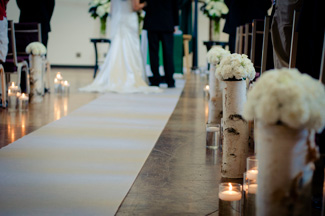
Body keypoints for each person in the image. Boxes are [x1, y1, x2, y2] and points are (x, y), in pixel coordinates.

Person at [80, 0, 161, 93]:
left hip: (118, 20)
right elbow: (135, 7)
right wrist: (146, 4)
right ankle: (130, 76)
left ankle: (113, 77)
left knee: (116, 48)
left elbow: (111, 10)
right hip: (129, 20)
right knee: (131, 48)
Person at [143, 0, 179, 88]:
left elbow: (144, 4)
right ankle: (170, 80)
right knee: (168, 53)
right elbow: (175, 5)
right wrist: (176, 24)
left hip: (152, 21)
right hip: (167, 21)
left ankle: (156, 79)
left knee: (153, 53)